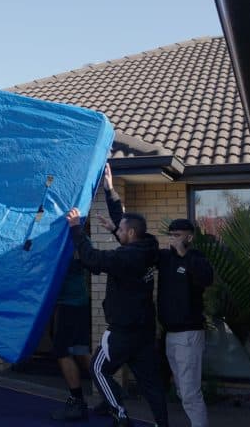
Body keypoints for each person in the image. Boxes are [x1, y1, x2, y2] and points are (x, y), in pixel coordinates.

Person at [67, 165, 168, 427]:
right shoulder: (149, 246)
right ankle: (162, 423)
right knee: (150, 384)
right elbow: (125, 225)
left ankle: (119, 414)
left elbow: (92, 259)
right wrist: (110, 190)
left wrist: (77, 228)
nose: (117, 231)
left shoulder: (125, 257)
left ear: (130, 234)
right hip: (144, 331)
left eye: (120, 231)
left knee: (98, 370)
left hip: (122, 332)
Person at [158, 218, 212, 427]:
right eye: (171, 235)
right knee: (182, 390)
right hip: (170, 334)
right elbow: (138, 247)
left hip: (189, 334)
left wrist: (183, 253)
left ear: (189, 237)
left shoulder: (196, 258)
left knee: (190, 393)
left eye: (177, 235)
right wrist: (116, 228)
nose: (173, 239)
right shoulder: (165, 258)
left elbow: (206, 279)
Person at [49, 219, 93, 421]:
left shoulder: (67, 244)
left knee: (62, 351)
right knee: (81, 351)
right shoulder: (83, 241)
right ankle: (112, 395)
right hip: (79, 304)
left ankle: (77, 402)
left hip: (70, 306)